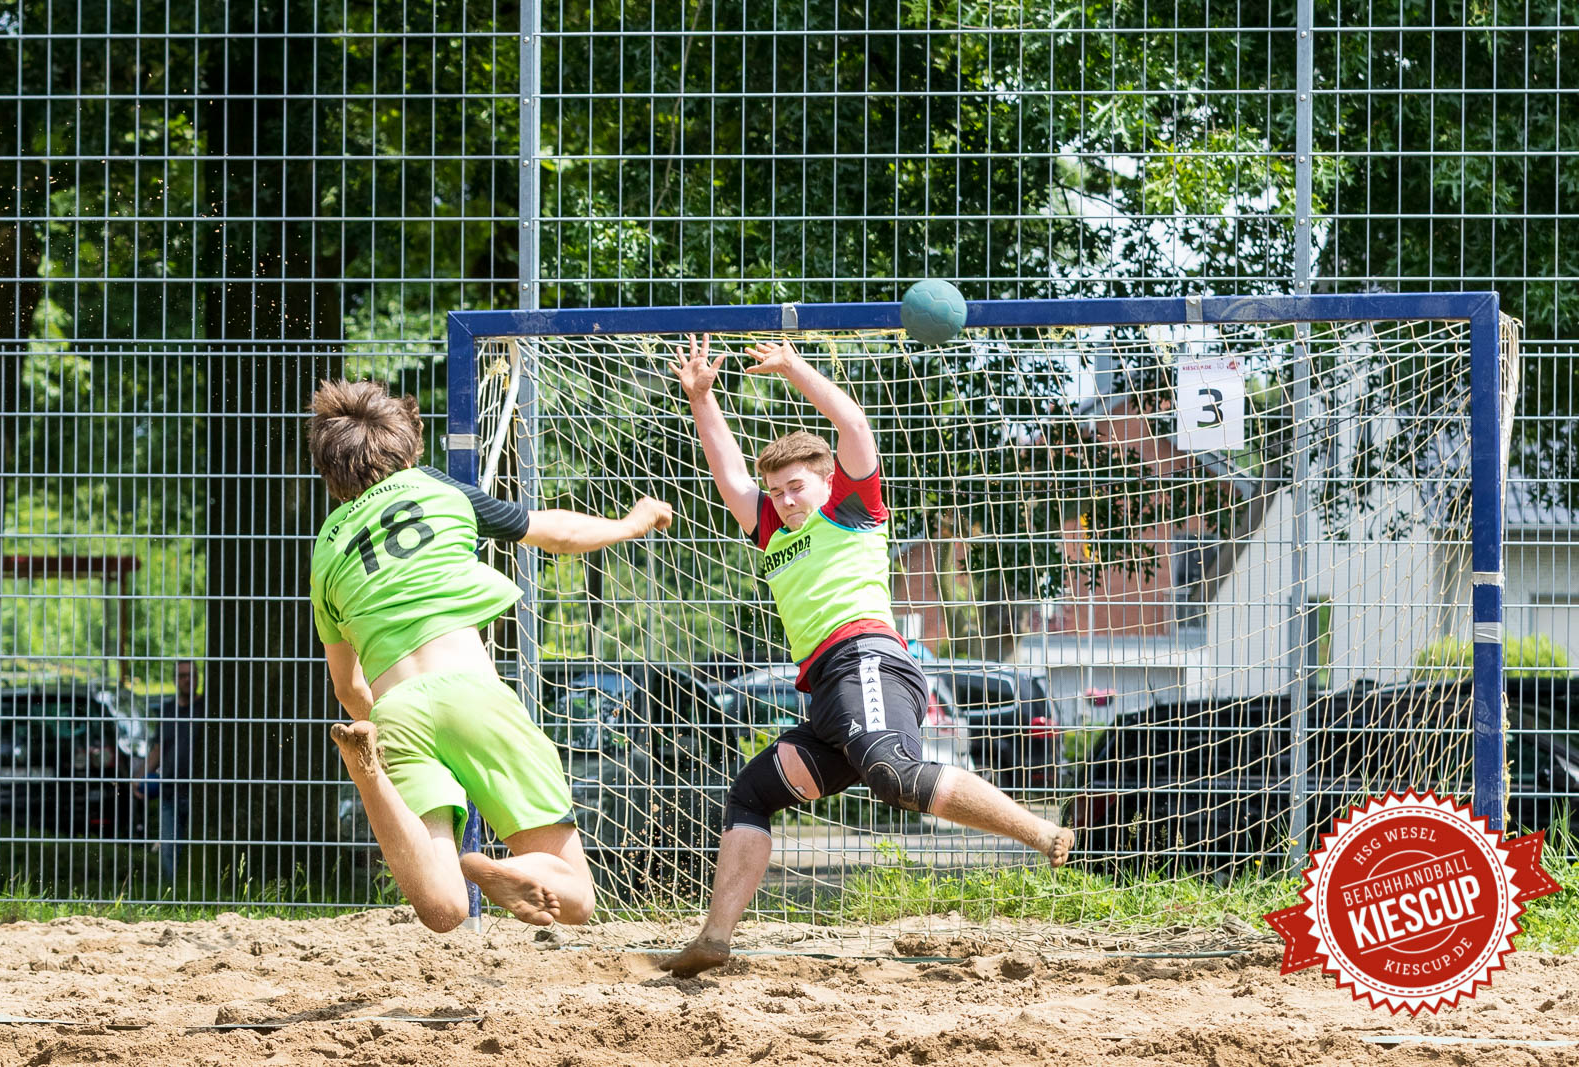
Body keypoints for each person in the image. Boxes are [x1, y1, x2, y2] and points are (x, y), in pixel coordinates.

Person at [660, 335, 1073, 978]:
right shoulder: (769, 527)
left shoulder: (854, 508)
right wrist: (702, 398)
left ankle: (1042, 833)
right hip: (825, 690)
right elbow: (729, 472)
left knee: (898, 776)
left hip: (867, 661)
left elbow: (851, 423)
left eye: (796, 487)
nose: (784, 499)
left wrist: (794, 368)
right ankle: (714, 940)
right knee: (751, 793)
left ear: (827, 481)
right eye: (776, 491)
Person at [306, 378, 673, 932]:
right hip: (470, 690)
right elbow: (555, 532)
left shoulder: (326, 549)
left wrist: (375, 723)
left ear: (330, 470)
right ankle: (514, 865)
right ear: (408, 445)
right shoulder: (434, 488)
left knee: (443, 909)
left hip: (394, 711)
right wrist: (632, 523)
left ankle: (370, 776)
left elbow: (348, 689)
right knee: (575, 901)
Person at [133, 658, 203, 883]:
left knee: (199, 847)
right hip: (170, 791)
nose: (186, 680)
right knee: (168, 849)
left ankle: (198, 890)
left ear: (197, 678)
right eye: (182, 675)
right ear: (175, 680)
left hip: (201, 792)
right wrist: (140, 776)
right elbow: (158, 748)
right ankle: (172, 894)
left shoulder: (208, 708)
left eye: (190, 675)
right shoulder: (168, 710)